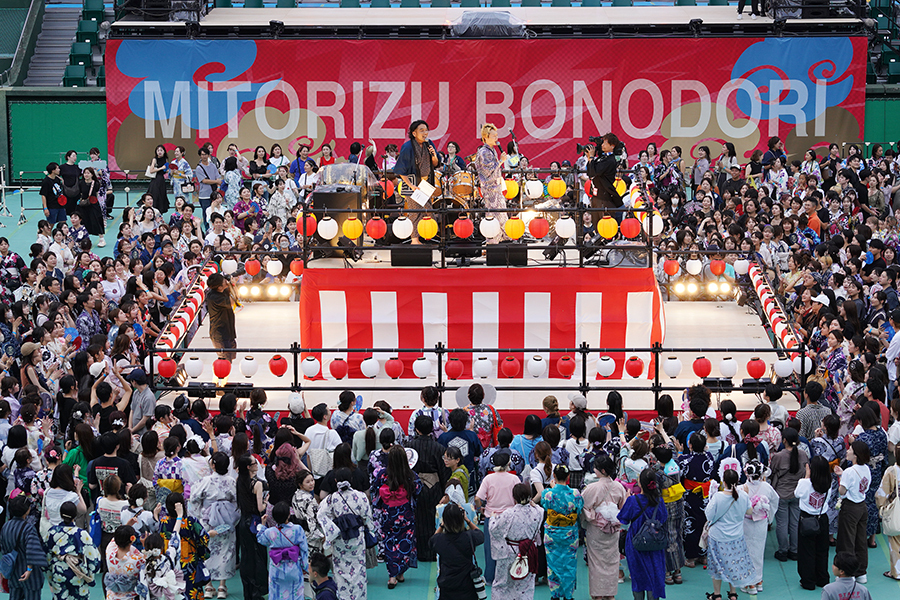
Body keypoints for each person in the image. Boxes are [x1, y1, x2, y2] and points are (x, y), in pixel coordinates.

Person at [317, 468, 375, 600]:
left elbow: (321, 515)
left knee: (340, 571)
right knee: (359, 570)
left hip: (340, 539)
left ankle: (343, 597)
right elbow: (367, 516)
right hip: (357, 538)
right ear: (352, 480)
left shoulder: (331, 499)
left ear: (336, 480)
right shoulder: (360, 496)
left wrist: (332, 530)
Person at [188, 452, 238, 599]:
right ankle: (222, 586)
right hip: (226, 519)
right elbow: (237, 502)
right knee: (226, 551)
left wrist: (199, 515)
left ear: (213, 465)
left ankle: (209, 586)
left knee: (207, 550)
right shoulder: (231, 481)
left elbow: (194, 498)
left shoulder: (205, 481)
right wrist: (233, 516)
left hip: (208, 520)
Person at [374, 445, 422, 588]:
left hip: (388, 514)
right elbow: (418, 490)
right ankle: (401, 573)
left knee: (390, 543)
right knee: (405, 541)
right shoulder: (410, 475)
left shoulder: (382, 474)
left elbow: (375, 491)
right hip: (405, 513)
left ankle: (392, 576)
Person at [403, 414, 449, 562]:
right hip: (434, 487)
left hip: (413, 486)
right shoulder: (439, 448)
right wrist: (445, 490)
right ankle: (433, 550)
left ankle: (418, 552)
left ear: (416, 429)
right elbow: (444, 471)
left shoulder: (408, 447)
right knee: (433, 518)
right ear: (431, 429)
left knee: (416, 519)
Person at [705, 468, 755, 600]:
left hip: (718, 537)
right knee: (734, 564)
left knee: (717, 566)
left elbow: (709, 515)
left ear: (723, 481)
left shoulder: (718, 496)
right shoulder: (743, 495)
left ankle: (717, 594)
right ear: (737, 481)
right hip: (736, 536)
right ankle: (733, 593)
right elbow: (749, 512)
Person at [487, 481, 543, 600]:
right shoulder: (538, 511)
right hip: (529, 551)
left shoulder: (509, 514)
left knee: (503, 582)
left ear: (514, 497)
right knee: (526, 583)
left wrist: (492, 517)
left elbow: (494, 528)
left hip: (510, 551)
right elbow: (538, 509)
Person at [581, 455, 627, 600]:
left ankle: (597, 594)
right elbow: (623, 509)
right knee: (612, 560)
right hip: (613, 529)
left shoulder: (591, 488)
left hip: (596, 529)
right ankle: (610, 594)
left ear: (601, 470)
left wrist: (591, 517)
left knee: (595, 562)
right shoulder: (619, 487)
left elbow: (583, 507)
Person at [618, 468, 667, 600]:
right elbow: (663, 518)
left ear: (640, 483)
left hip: (636, 543)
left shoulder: (633, 501)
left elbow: (623, 519)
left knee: (638, 576)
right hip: (655, 543)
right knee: (654, 574)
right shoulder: (659, 501)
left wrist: (627, 500)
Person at [474, 450, 518, 584]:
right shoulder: (514, 479)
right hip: (510, 518)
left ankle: (490, 577)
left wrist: (480, 509)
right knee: (510, 548)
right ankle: (510, 576)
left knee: (490, 549)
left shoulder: (488, 478)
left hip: (491, 518)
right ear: (508, 463)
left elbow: (477, 498)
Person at [540, 465, 583, 600]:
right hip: (570, 534)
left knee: (553, 564)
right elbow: (579, 509)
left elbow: (545, 506)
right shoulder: (575, 493)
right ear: (568, 476)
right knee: (569, 564)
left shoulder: (547, 493)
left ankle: (555, 594)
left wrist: (553, 488)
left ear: (554, 475)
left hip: (552, 534)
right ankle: (568, 595)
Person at [393, 120, 440, 238]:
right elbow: (401, 169)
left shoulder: (429, 144)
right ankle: (414, 239)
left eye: (426, 130)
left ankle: (428, 235)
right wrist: (411, 185)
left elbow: (435, 163)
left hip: (426, 183)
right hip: (412, 183)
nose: (425, 133)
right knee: (415, 212)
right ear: (414, 133)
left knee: (428, 210)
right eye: (421, 130)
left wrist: (434, 155)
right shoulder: (407, 146)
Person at [430, 502, 485, 600]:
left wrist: (442, 525)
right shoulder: (469, 537)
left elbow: (432, 540)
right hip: (467, 586)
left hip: (447, 585)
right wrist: (468, 520)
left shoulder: (440, 540)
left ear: (445, 521)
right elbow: (480, 534)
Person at [47, 501, 101, 600]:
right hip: (78, 573)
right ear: (75, 515)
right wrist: (92, 572)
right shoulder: (81, 534)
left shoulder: (52, 532)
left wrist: (49, 573)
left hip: (58, 572)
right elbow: (93, 556)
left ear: (60, 514)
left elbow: (47, 555)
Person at [739, 459, 778, 594]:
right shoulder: (767, 487)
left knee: (746, 551)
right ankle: (758, 581)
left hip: (746, 522)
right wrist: (769, 517)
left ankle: (749, 583)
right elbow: (775, 500)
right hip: (761, 522)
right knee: (758, 551)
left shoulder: (742, 489)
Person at [795, 456, 834, 590]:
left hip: (806, 519)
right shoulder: (829, 482)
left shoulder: (805, 483)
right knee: (822, 550)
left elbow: (797, 494)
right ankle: (822, 578)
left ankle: (808, 581)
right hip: (822, 518)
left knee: (807, 552)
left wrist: (806, 476)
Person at [256, 501, 309, 600]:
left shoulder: (270, 532)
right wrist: (305, 566)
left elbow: (260, 539)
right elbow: (304, 549)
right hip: (294, 566)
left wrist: (262, 524)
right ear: (289, 515)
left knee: (276, 593)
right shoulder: (297, 529)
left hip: (276, 568)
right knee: (296, 593)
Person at [835, 440, 872, 582]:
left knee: (846, 541)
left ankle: (846, 573)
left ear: (855, 455)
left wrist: (842, 478)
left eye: (850, 449)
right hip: (862, 506)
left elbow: (842, 490)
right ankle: (861, 572)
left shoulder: (850, 471)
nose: (848, 451)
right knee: (860, 540)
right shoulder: (866, 469)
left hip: (849, 507)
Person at [0, 495, 49, 600]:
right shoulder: (28, 528)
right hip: (30, 576)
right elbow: (32, 551)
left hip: (13, 572)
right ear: (27, 510)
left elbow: (3, 549)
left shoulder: (5, 526)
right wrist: (29, 569)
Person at [771, 427, 808, 562]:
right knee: (795, 523)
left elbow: (772, 472)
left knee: (781, 523)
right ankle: (794, 550)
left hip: (781, 493)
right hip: (797, 493)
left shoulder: (778, 456)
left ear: (784, 440)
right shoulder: (803, 454)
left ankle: (783, 551)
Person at [235, 455, 268, 600]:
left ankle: (248, 591)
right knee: (259, 557)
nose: (257, 464)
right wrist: (266, 503)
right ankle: (258, 591)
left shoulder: (239, 481)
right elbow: (260, 507)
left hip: (243, 522)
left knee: (246, 558)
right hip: (255, 522)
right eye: (255, 463)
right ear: (249, 467)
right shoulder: (257, 484)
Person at [473, 123, 509, 243]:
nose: (496, 138)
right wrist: (501, 161)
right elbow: (488, 171)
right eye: (493, 136)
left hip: (495, 186)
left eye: (496, 135)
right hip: (490, 188)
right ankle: (492, 241)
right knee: (494, 215)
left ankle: (500, 239)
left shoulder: (491, 150)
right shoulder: (484, 152)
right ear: (486, 137)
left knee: (500, 214)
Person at [876, 443, 900, 580]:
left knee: (895, 541)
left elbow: (882, 493)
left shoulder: (892, 471)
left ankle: (896, 571)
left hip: (896, 509)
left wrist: (882, 508)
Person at [586, 133, 625, 217]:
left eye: (605, 143)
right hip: (596, 196)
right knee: (596, 223)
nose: (602, 145)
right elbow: (589, 173)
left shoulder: (610, 160)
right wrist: (590, 158)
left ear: (612, 146)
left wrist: (592, 158)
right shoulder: (601, 157)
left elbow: (595, 172)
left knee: (604, 224)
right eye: (602, 143)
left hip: (604, 197)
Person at [105, 524, 144, 600]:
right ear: (132, 539)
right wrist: (144, 544)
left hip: (111, 596)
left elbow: (115, 539)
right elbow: (148, 559)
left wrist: (127, 525)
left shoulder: (110, 550)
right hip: (130, 597)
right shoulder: (137, 560)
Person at [205, 273, 236, 363]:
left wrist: (231, 285)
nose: (226, 281)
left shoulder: (221, 291)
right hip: (220, 334)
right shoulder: (214, 297)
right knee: (225, 360)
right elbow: (233, 300)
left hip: (228, 329)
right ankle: (222, 376)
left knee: (230, 357)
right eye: (224, 281)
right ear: (219, 287)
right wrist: (232, 285)